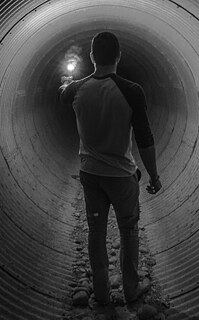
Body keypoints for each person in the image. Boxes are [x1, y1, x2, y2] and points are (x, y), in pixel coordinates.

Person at [58, 32, 162, 305]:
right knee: (128, 231)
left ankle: (102, 294)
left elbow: (62, 95)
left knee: (96, 231)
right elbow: (144, 137)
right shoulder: (131, 90)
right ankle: (130, 290)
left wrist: (65, 83)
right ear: (119, 56)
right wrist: (153, 174)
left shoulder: (77, 89)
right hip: (122, 176)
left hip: (91, 175)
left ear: (92, 57)